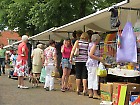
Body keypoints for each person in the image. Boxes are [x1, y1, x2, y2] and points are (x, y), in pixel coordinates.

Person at [86, 34, 104, 99]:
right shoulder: (94, 45)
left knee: (90, 78)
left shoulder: (90, 44)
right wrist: (99, 59)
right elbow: (91, 55)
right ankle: (95, 93)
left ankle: (90, 92)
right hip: (93, 63)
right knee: (95, 78)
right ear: (96, 40)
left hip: (89, 64)